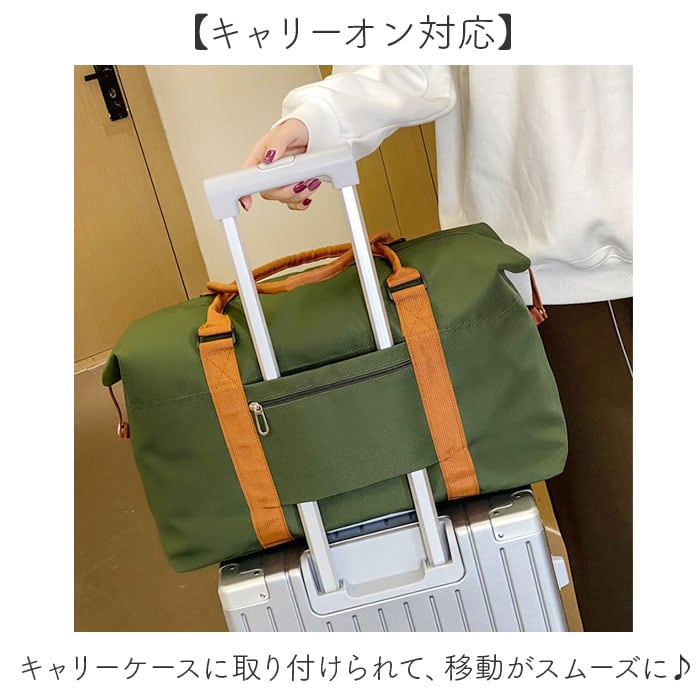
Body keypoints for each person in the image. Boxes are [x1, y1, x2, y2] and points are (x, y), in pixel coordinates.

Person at [241, 65, 633, 632]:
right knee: (626, 539)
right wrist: (318, 119)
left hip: (588, 256)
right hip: (578, 273)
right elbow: (414, 59)